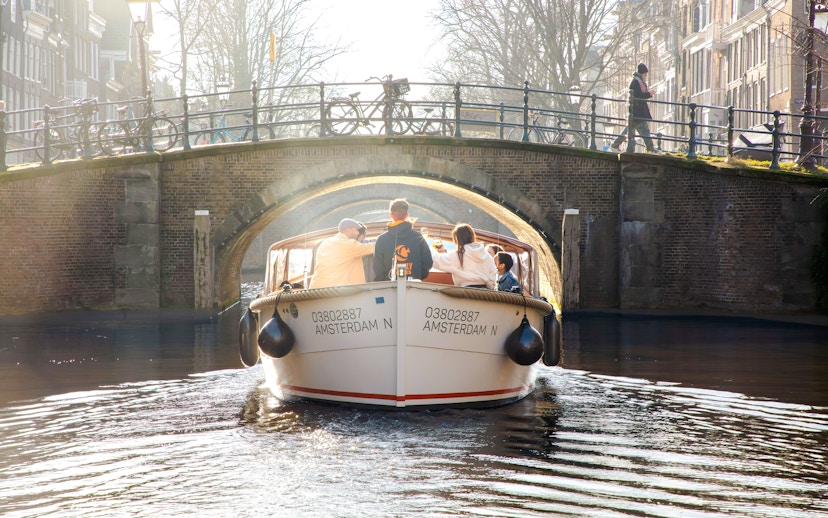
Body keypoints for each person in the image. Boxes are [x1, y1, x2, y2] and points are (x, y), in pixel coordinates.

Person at [372, 198, 433, 281]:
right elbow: (428, 262)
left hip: (389, 287)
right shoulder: (418, 237)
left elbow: (377, 267)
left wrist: (384, 282)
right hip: (413, 286)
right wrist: (417, 276)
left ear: (391, 215)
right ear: (407, 215)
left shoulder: (382, 239)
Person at [309, 218, 375, 289]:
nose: (358, 233)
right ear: (349, 231)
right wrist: (385, 241)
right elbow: (371, 247)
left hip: (317, 290)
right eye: (356, 230)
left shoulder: (325, 242)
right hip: (337, 292)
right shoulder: (349, 245)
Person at [431, 223, 497, 289]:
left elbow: (437, 261)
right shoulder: (486, 254)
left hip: (465, 292)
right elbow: (493, 273)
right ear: (472, 236)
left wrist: (430, 249)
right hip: (483, 293)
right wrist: (489, 289)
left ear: (457, 239)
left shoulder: (459, 254)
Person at [610, 63, 657, 153]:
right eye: (645, 74)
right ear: (642, 74)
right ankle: (651, 149)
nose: (646, 76)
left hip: (636, 111)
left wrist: (648, 94)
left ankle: (615, 145)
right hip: (638, 111)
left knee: (628, 130)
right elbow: (638, 95)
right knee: (645, 130)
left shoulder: (638, 81)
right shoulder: (636, 82)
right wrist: (649, 94)